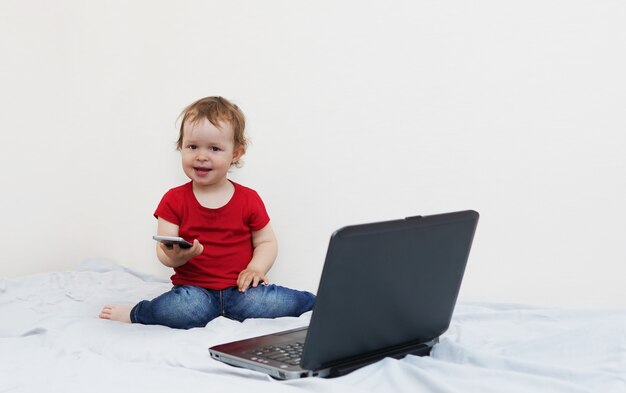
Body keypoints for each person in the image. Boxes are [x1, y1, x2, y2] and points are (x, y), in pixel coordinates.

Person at [99, 96, 315, 329]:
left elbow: (266, 241)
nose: (202, 156)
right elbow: (163, 251)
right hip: (196, 293)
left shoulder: (248, 199)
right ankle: (137, 313)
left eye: (214, 148)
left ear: (236, 153)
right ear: (181, 147)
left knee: (277, 300)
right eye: (193, 147)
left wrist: (256, 268)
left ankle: (324, 303)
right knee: (182, 308)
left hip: (241, 292)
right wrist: (177, 256)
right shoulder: (173, 199)